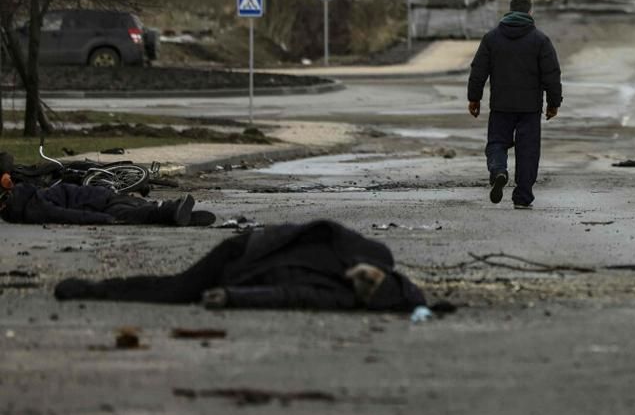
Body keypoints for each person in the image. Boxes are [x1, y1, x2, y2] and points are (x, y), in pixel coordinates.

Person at [53, 220, 434, 312]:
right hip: (248, 250)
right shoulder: (372, 251)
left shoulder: (344, 297)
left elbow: (288, 295)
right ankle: (89, 289)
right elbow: (324, 228)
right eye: (368, 278)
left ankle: (92, 289)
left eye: (362, 288)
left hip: (246, 269)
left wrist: (233, 297)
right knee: (176, 290)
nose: (359, 282)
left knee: (177, 291)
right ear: (380, 272)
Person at [467, 0, 563, 210]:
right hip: (530, 108)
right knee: (528, 150)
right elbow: (552, 74)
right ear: (530, 12)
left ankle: (499, 170)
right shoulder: (540, 40)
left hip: (501, 105)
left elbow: (478, 71)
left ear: (510, 11)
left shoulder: (491, 38)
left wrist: (474, 98)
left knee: (496, 143)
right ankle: (523, 196)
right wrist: (554, 103)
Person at [0, 174, 210, 227]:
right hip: (103, 194)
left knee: (133, 215)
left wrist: (102, 219)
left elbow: (69, 216)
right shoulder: (31, 193)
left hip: (103, 205)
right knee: (140, 207)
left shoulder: (31, 208)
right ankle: (179, 215)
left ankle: (170, 211)